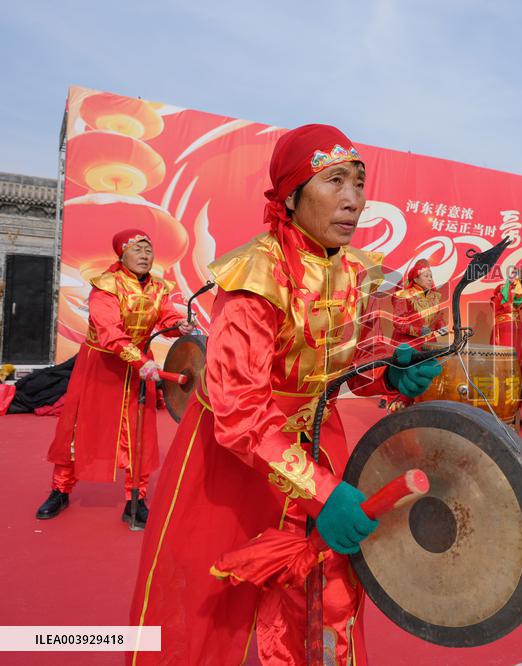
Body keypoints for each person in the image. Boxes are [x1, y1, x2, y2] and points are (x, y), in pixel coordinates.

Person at [128, 124, 441, 666]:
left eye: (359, 183)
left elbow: (342, 364)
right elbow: (240, 410)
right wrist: (322, 491)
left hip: (320, 440)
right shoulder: (256, 276)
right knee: (214, 605)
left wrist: (389, 376)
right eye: (334, 181)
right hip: (235, 461)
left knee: (329, 594)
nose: (353, 200)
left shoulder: (350, 270)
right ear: (291, 196)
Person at [35, 229, 193, 525]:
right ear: (122, 255)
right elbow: (109, 332)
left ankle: (137, 497)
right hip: (102, 367)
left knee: (139, 432)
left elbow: (165, 318)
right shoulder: (106, 285)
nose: (145, 256)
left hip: (138, 369)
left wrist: (178, 326)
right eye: (138, 250)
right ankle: (60, 489)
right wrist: (140, 360)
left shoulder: (159, 287)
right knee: (78, 428)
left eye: (149, 250)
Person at [390, 258, 447, 347]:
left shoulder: (434, 297)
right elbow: (399, 322)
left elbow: (438, 317)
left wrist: (441, 326)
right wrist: (419, 331)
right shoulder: (404, 295)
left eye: (431, 276)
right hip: (407, 344)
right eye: (426, 276)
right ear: (416, 279)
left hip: (429, 343)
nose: (430, 279)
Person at [491, 271, 522, 347]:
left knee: (516, 351)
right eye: (513, 275)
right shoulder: (501, 290)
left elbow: (519, 305)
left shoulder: (519, 292)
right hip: (504, 326)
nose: (516, 279)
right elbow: (505, 307)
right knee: (503, 351)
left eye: (519, 278)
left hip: (517, 326)